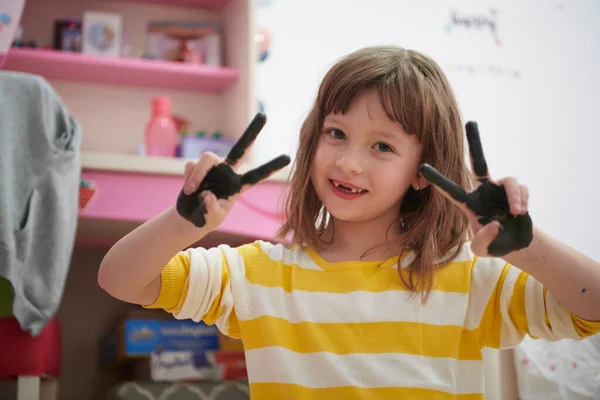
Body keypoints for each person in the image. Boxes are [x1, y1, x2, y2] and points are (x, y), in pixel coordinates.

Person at [98, 45, 600, 399]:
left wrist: (526, 248)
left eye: (382, 146)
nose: (349, 162)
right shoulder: (259, 274)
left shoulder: (471, 280)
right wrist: (184, 224)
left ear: (424, 173)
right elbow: (120, 279)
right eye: (336, 133)